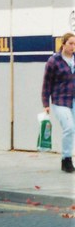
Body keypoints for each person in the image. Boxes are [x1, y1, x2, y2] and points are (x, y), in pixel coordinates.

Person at [42, 32, 75, 173]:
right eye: (71, 43)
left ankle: (67, 158)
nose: (73, 46)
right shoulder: (53, 61)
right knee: (69, 128)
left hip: (73, 99)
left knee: (72, 130)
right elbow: (46, 83)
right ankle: (66, 159)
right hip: (60, 100)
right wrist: (46, 104)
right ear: (63, 44)